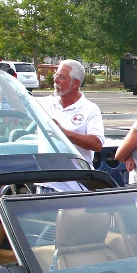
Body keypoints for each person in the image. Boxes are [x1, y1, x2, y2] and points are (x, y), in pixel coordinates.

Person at [41, 58, 105, 192]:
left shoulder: (90, 109)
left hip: (75, 188)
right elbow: (17, 100)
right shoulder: (46, 104)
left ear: (75, 83)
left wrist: (63, 133)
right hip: (47, 185)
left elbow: (97, 144)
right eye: (56, 75)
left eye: (61, 77)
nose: (55, 80)